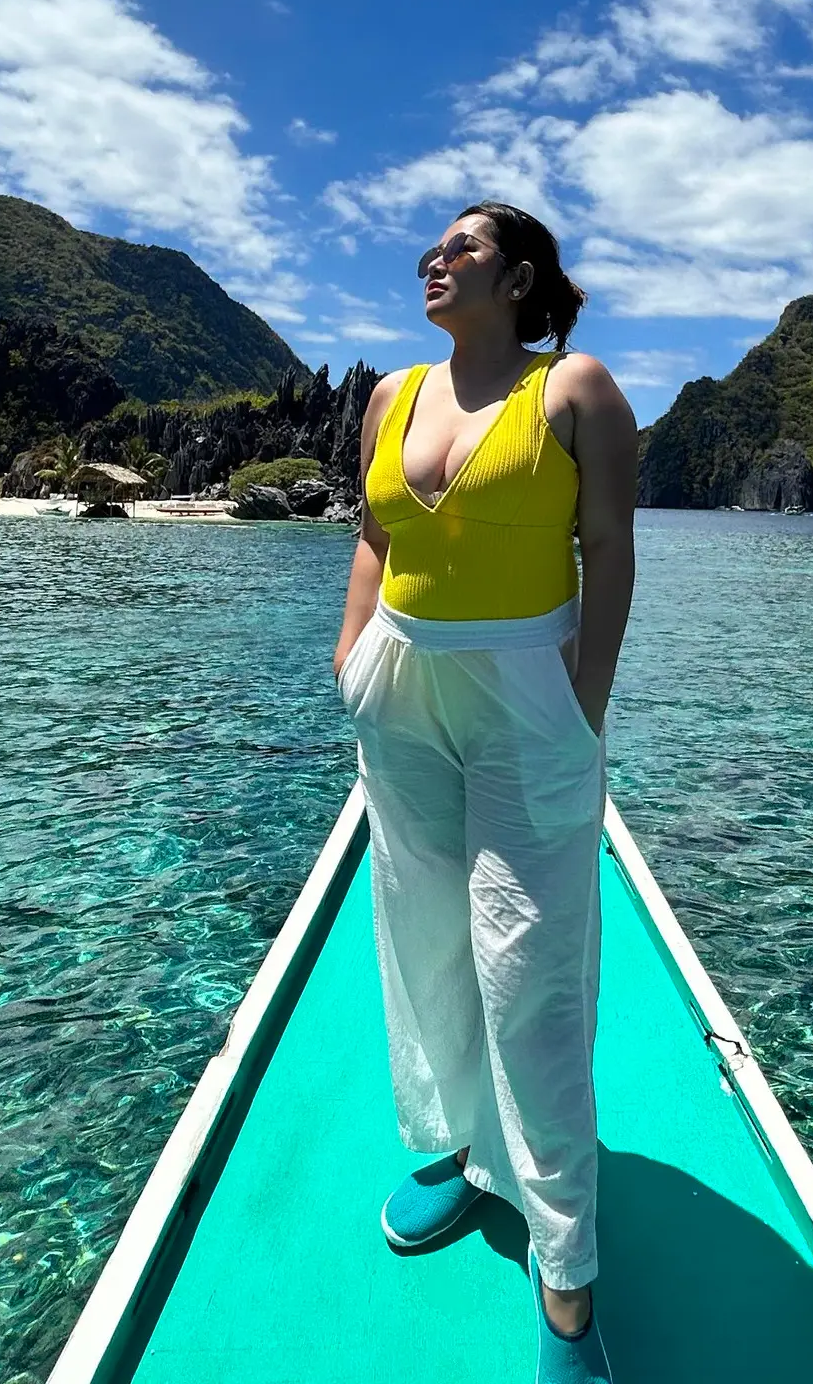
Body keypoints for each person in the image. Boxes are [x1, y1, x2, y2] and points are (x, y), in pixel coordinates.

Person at [332, 202, 637, 1383]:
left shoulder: (574, 391)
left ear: (518, 277)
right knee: (422, 937)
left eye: (462, 247)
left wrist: (583, 703)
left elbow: (606, 550)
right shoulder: (391, 395)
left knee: (528, 970)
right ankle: (457, 1149)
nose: (435, 258)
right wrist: (352, 653)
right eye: (432, 247)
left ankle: (565, 1280)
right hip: (399, 688)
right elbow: (371, 528)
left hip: (526, 694)